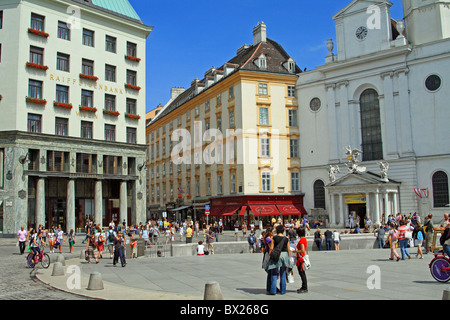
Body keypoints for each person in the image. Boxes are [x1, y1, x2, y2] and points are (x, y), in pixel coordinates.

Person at [266, 225, 293, 295]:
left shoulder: (274, 238)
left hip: (276, 255)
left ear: (277, 231)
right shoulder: (286, 239)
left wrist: (270, 256)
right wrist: (289, 257)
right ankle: (283, 290)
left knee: (274, 272)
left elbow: (271, 248)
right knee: (283, 273)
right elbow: (288, 249)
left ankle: (273, 290)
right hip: (284, 255)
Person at [293, 227, 308, 294]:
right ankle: (303, 286)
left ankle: (305, 287)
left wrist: (296, 251)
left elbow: (302, 250)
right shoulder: (304, 239)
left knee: (302, 273)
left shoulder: (301, 240)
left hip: (300, 259)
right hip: (301, 258)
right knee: (302, 273)